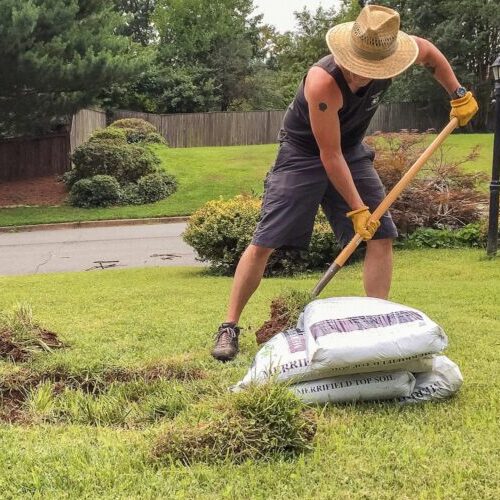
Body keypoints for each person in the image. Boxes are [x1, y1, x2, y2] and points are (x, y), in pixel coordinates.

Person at [211, 4, 478, 362]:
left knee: (381, 235)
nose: (359, 74)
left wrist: (457, 92)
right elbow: (328, 155)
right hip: (302, 154)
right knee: (265, 242)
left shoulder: (397, 53)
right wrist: (356, 208)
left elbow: (428, 52)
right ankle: (229, 327)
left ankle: (377, 321)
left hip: (349, 150)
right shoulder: (322, 81)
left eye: (369, 67)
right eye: (355, 64)